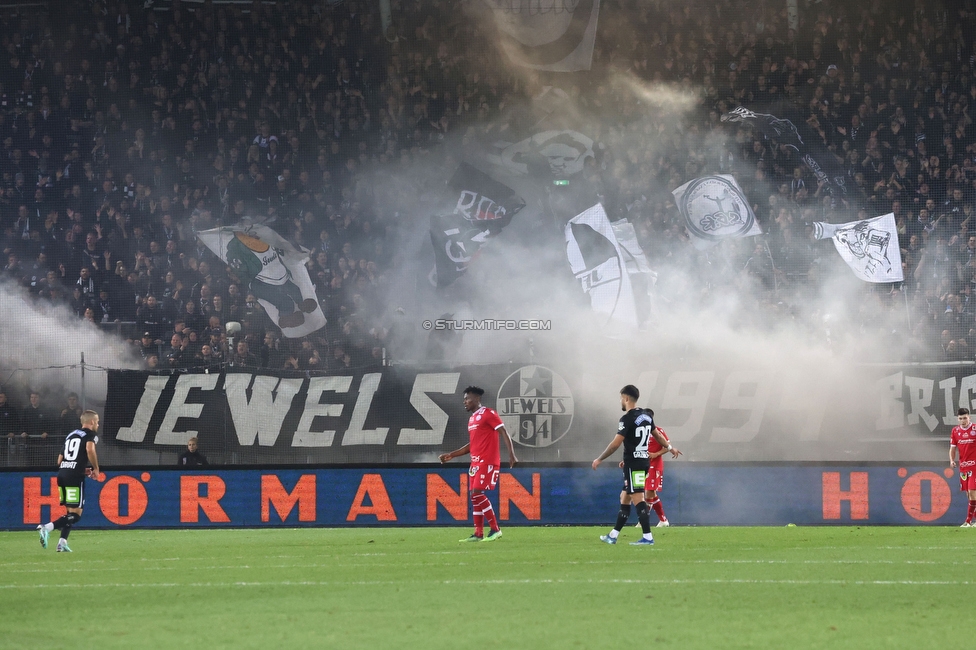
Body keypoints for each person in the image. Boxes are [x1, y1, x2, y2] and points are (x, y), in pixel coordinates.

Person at [592, 385, 680, 545]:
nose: (620, 401)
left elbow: (615, 444)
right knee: (624, 497)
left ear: (626, 398)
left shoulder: (626, 419)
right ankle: (613, 535)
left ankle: (647, 536)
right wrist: (669, 447)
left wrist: (600, 458)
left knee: (638, 498)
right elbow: (658, 436)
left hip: (634, 464)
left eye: (621, 398)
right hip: (642, 462)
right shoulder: (646, 416)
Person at [439, 386, 518, 542]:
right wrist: (452, 455)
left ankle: (495, 529)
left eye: (467, 398)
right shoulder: (472, 419)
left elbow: (503, 431)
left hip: (487, 461)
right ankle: (478, 533)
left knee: (476, 494)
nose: (465, 401)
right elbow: (472, 444)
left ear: (477, 399)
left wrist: (511, 454)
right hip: (475, 463)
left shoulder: (488, 413)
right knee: (474, 497)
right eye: (464, 399)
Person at [36, 410, 101, 552]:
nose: (98, 424)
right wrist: (96, 468)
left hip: (63, 474)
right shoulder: (91, 435)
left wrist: (82, 469)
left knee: (69, 512)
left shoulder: (71, 435)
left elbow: (60, 460)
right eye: (97, 421)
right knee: (76, 516)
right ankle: (46, 527)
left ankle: (62, 542)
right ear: (91, 422)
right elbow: (90, 450)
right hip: (74, 477)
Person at [949, 407, 976, 527]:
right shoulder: (955, 431)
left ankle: (968, 521)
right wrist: (951, 460)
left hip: (974, 465)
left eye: (965, 418)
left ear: (969, 417)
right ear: (958, 419)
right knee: (968, 494)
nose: (963, 420)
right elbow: (952, 448)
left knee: (972, 492)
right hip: (963, 466)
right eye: (960, 418)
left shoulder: (975, 428)